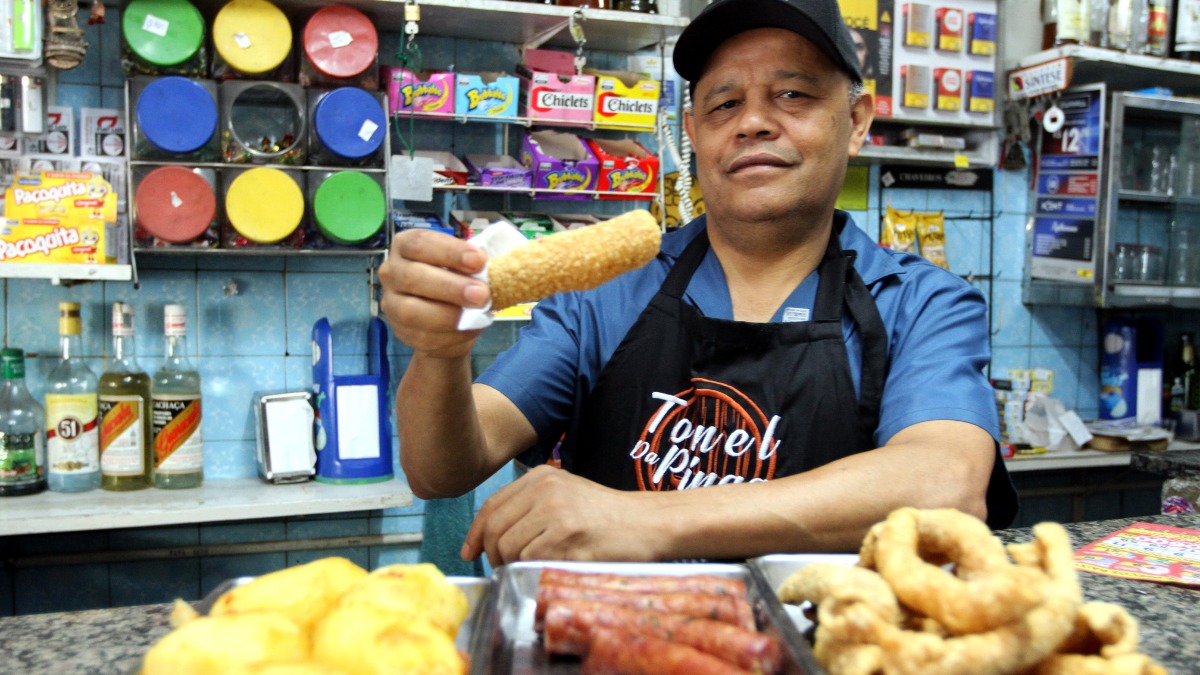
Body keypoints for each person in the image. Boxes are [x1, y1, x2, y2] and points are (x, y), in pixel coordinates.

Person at [378, 0, 1018, 567]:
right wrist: (439, 350)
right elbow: (441, 470)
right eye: (724, 103)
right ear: (693, 134)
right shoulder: (609, 291)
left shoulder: (921, 302)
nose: (754, 123)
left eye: (793, 95)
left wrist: (639, 521)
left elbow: (945, 485)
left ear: (855, 121)